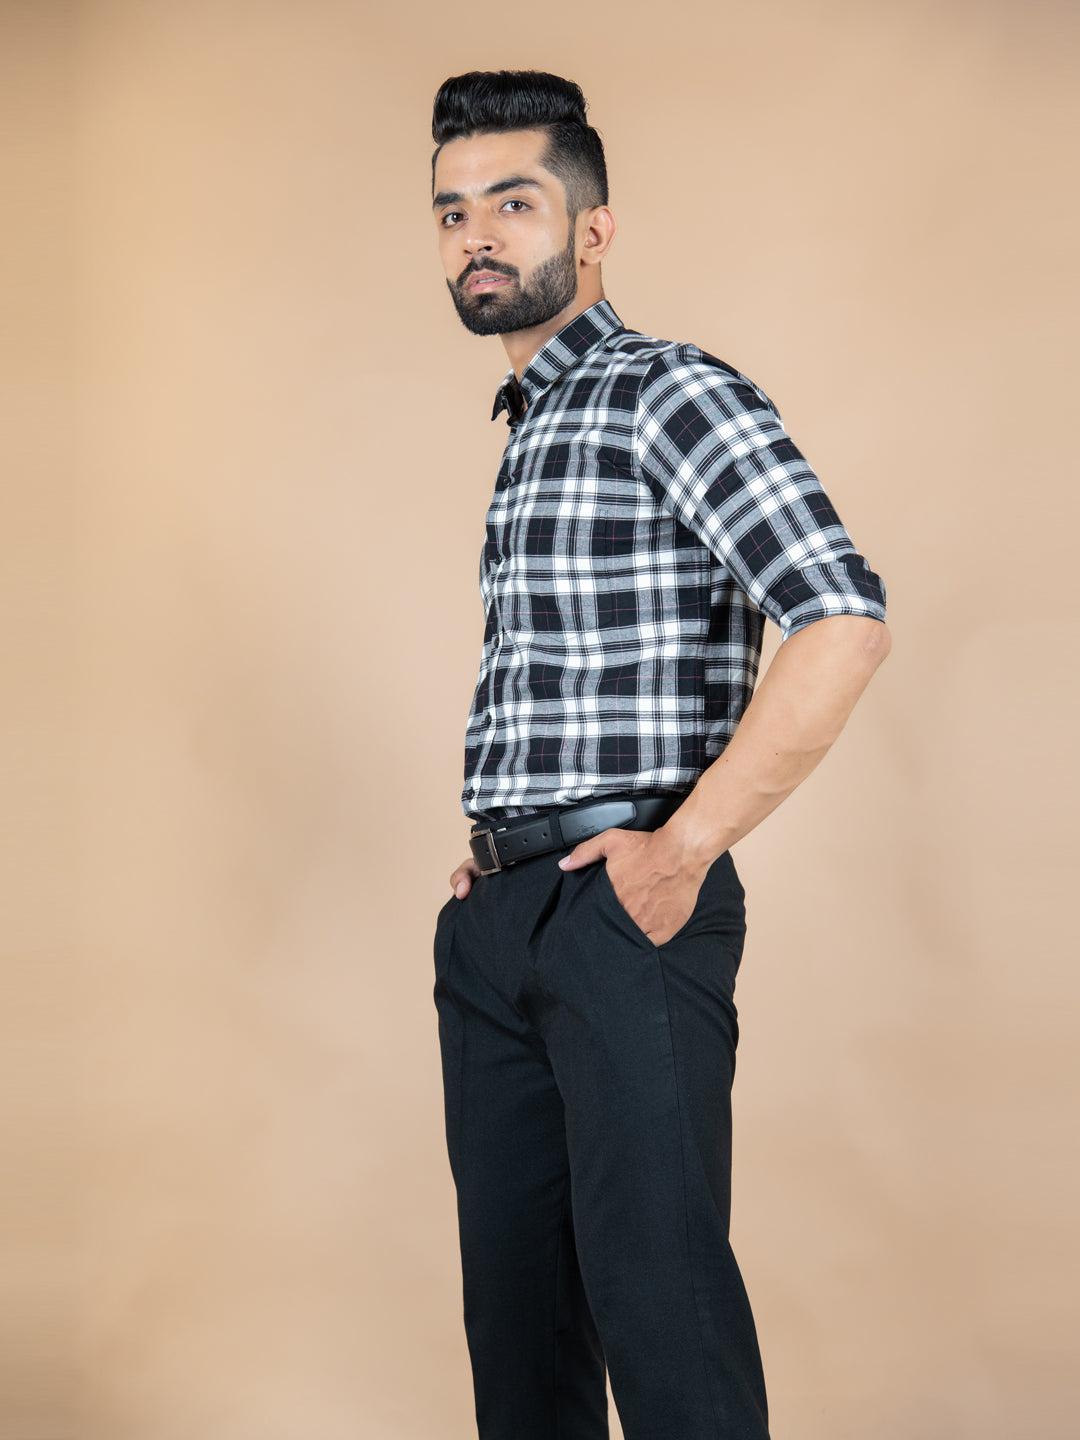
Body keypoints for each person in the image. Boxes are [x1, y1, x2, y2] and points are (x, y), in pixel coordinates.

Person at [429, 70, 890, 1440]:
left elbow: (841, 619)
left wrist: (682, 850)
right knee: (520, 1344)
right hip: (503, 921)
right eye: (452, 212)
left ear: (595, 226)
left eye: (514, 203)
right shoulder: (533, 427)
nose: (477, 236)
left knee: (664, 1321)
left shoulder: (665, 391)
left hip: (626, 913)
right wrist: (501, 862)